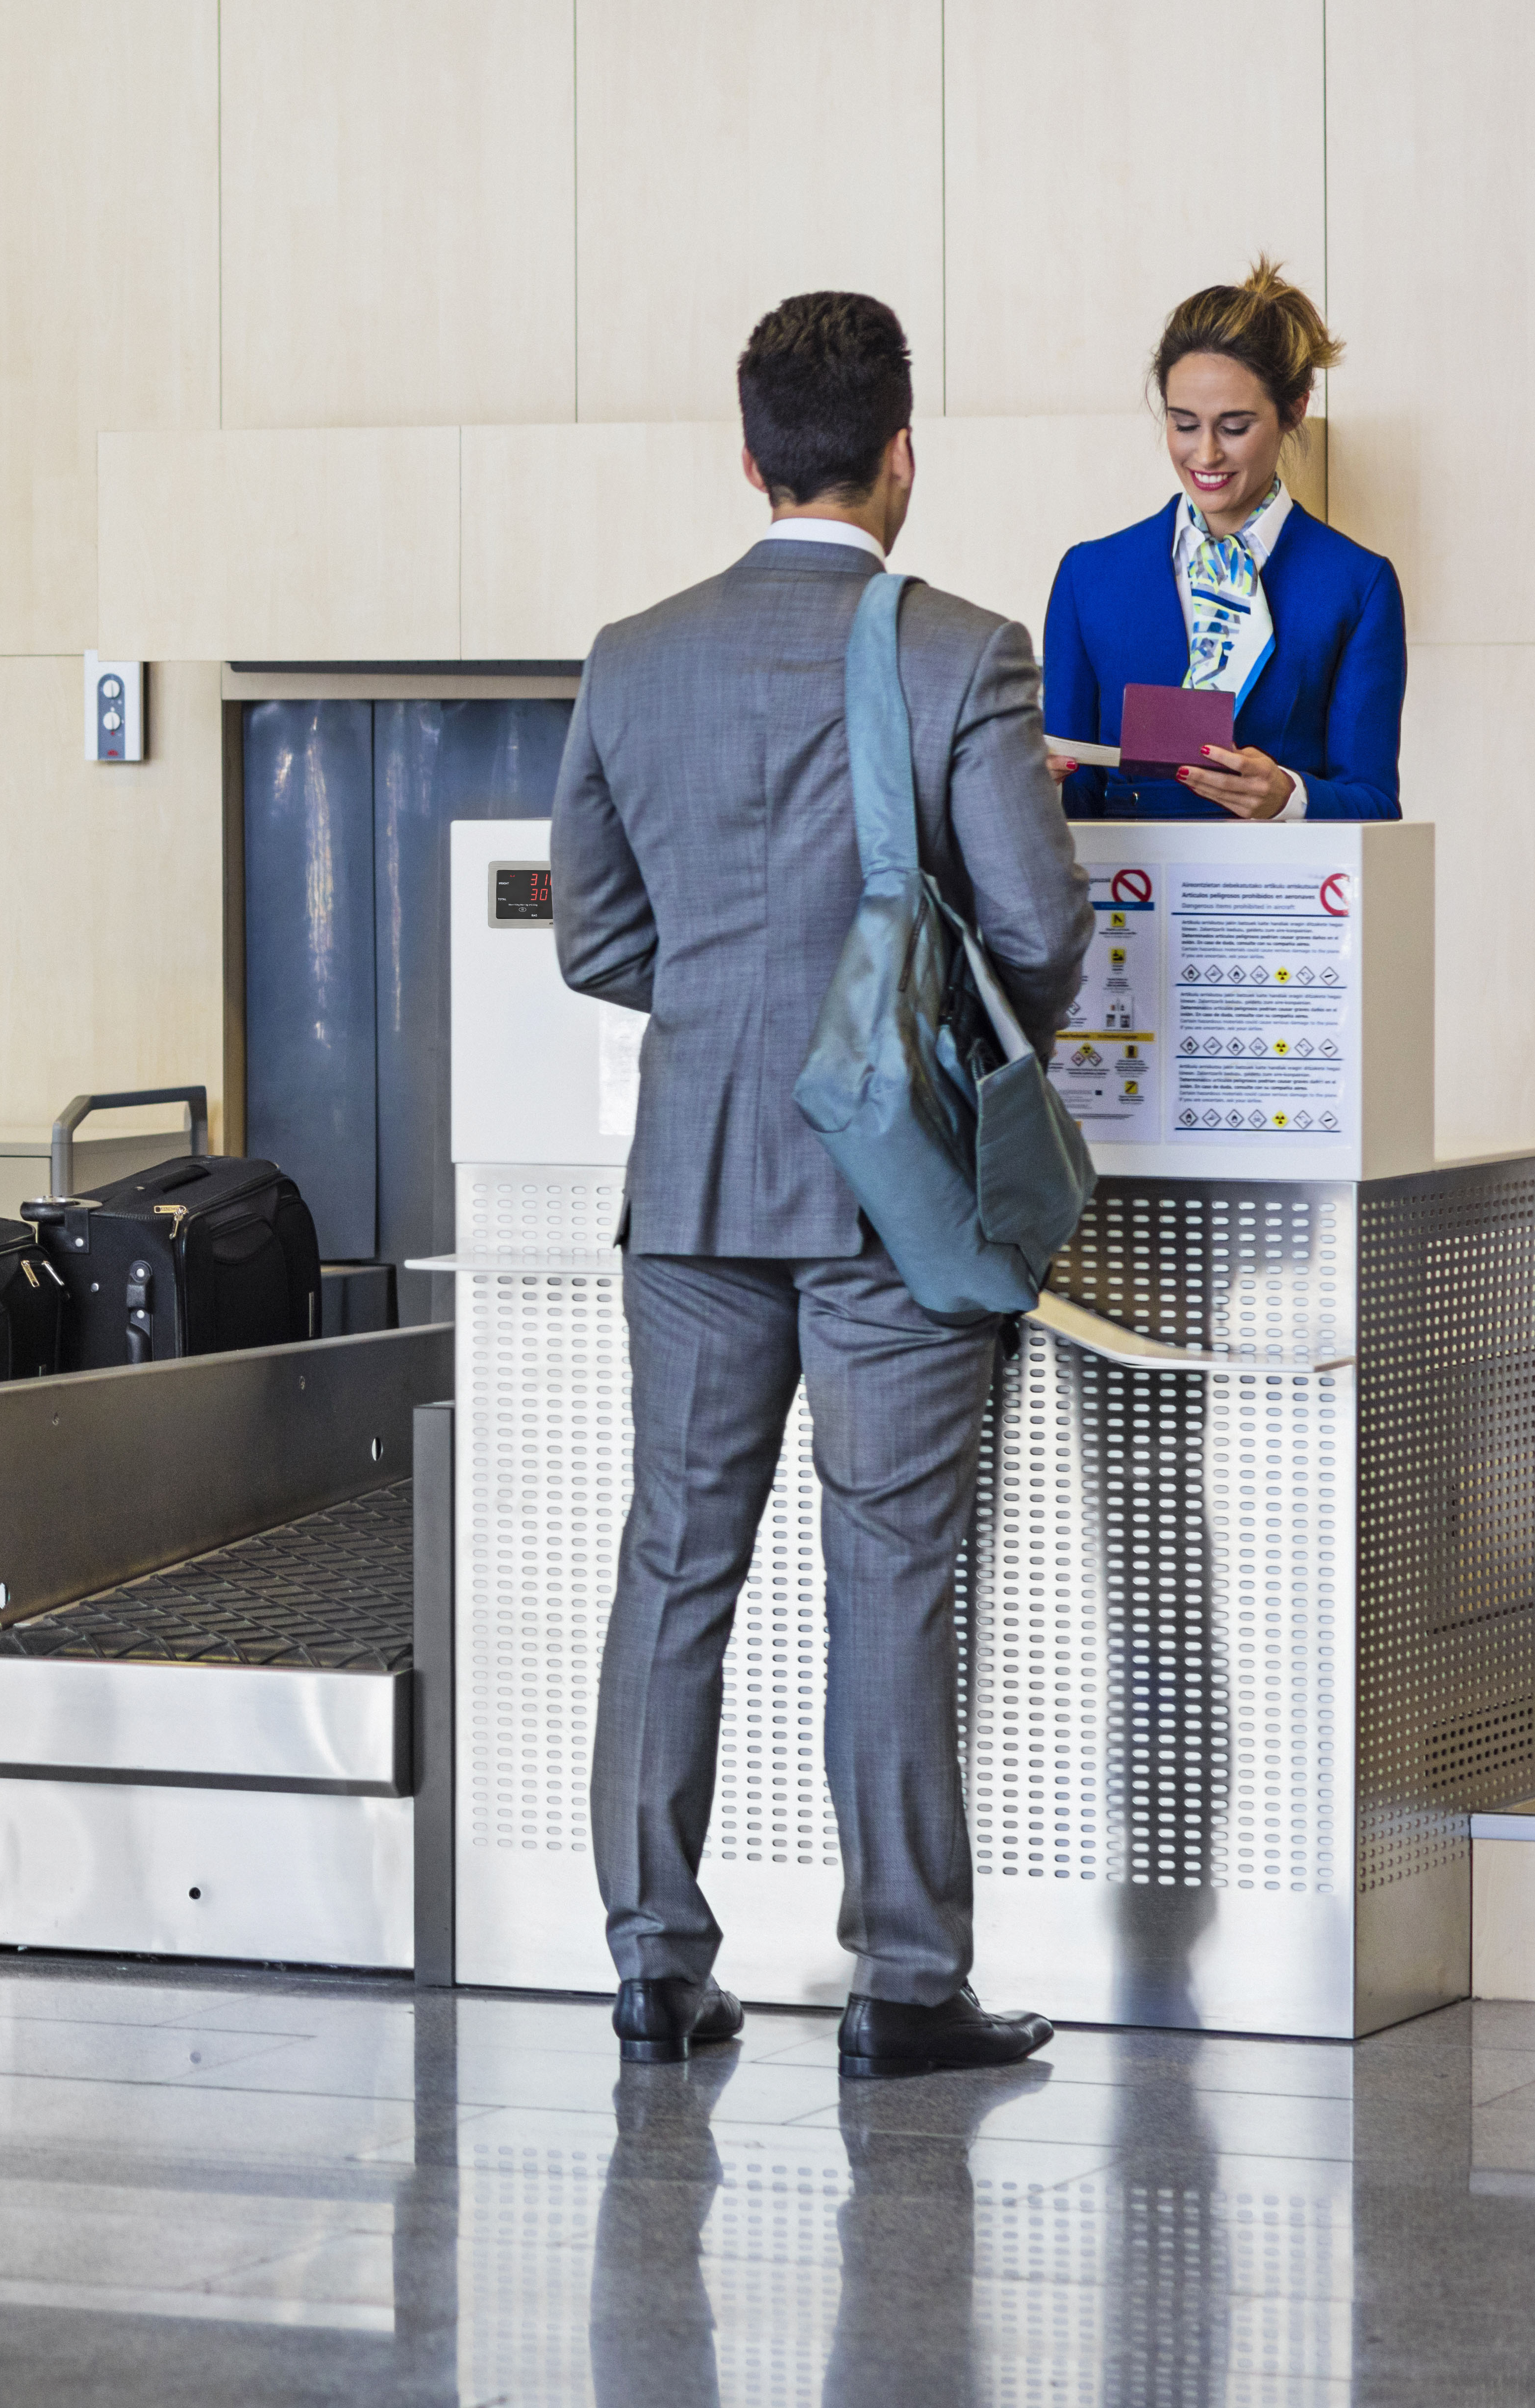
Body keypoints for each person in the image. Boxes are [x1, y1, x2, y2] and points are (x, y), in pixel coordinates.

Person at [549, 292, 1090, 2079]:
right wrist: (906, 1047)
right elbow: (1036, 926)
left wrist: (733, 1010)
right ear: (900, 454)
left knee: (673, 1559)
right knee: (890, 1575)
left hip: (691, 1184)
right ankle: (904, 1980)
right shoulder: (960, 652)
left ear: (748, 455)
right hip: (891, 1201)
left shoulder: (630, 654)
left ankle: (653, 1961)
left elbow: (595, 935)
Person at [1044, 259, 1406, 819]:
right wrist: (1026, 786)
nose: (1206, 454)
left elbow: (1375, 803)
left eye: (1234, 427)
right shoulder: (1090, 577)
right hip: (1123, 874)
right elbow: (1072, 795)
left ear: (1294, 408)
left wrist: (1289, 796)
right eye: (1184, 424)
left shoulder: (1354, 584)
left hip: (1279, 873)